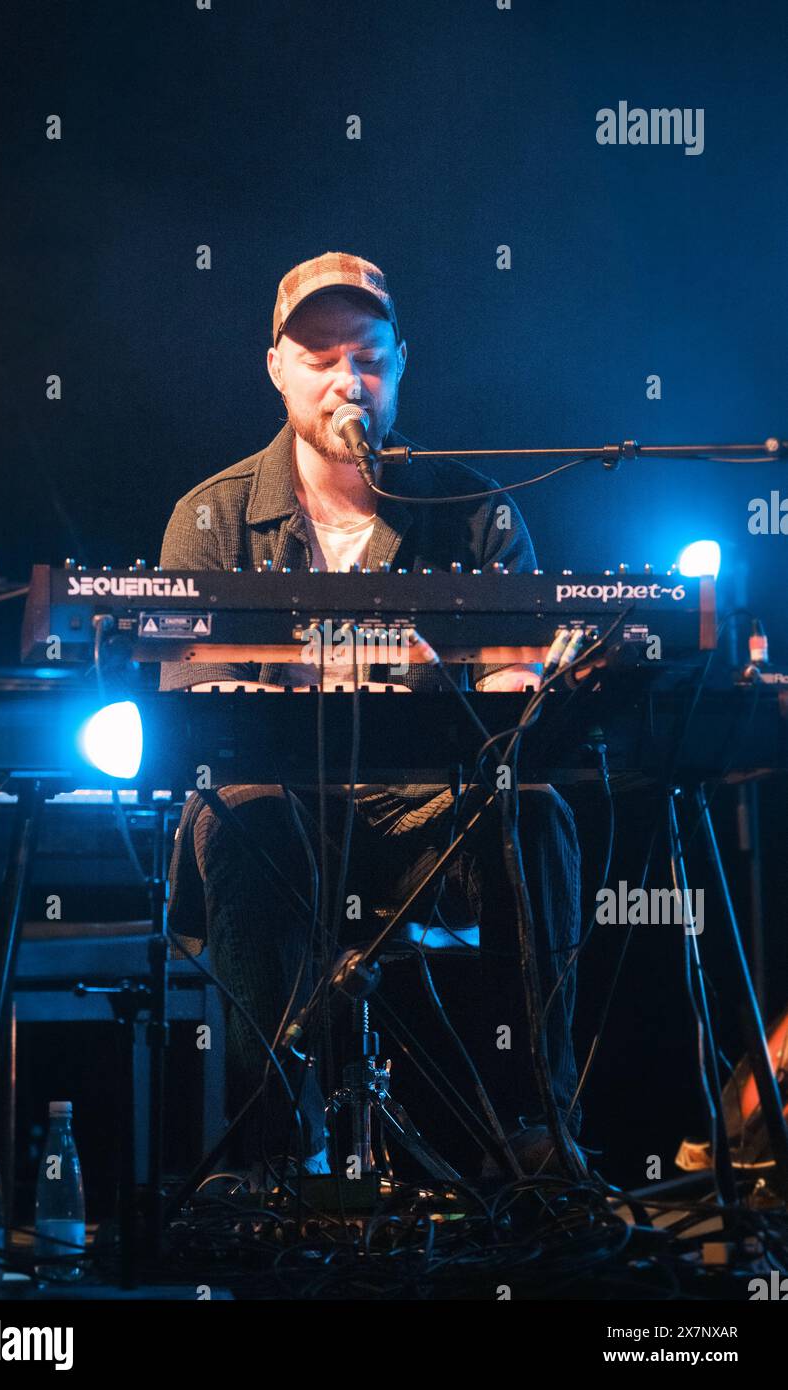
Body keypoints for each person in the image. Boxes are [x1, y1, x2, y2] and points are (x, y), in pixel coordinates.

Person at [160, 252, 583, 1180]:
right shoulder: (212, 515)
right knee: (243, 815)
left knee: (534, 812)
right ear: (276, 369)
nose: (348, 380)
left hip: (425, 810)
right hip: (280, 811)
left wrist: (449, 683)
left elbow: (521, 695)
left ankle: (535, 1129)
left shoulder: (473, 509)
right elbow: (193, 700)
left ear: (401, 364)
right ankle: (276, 1156)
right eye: (320, 358)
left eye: (369, 357)